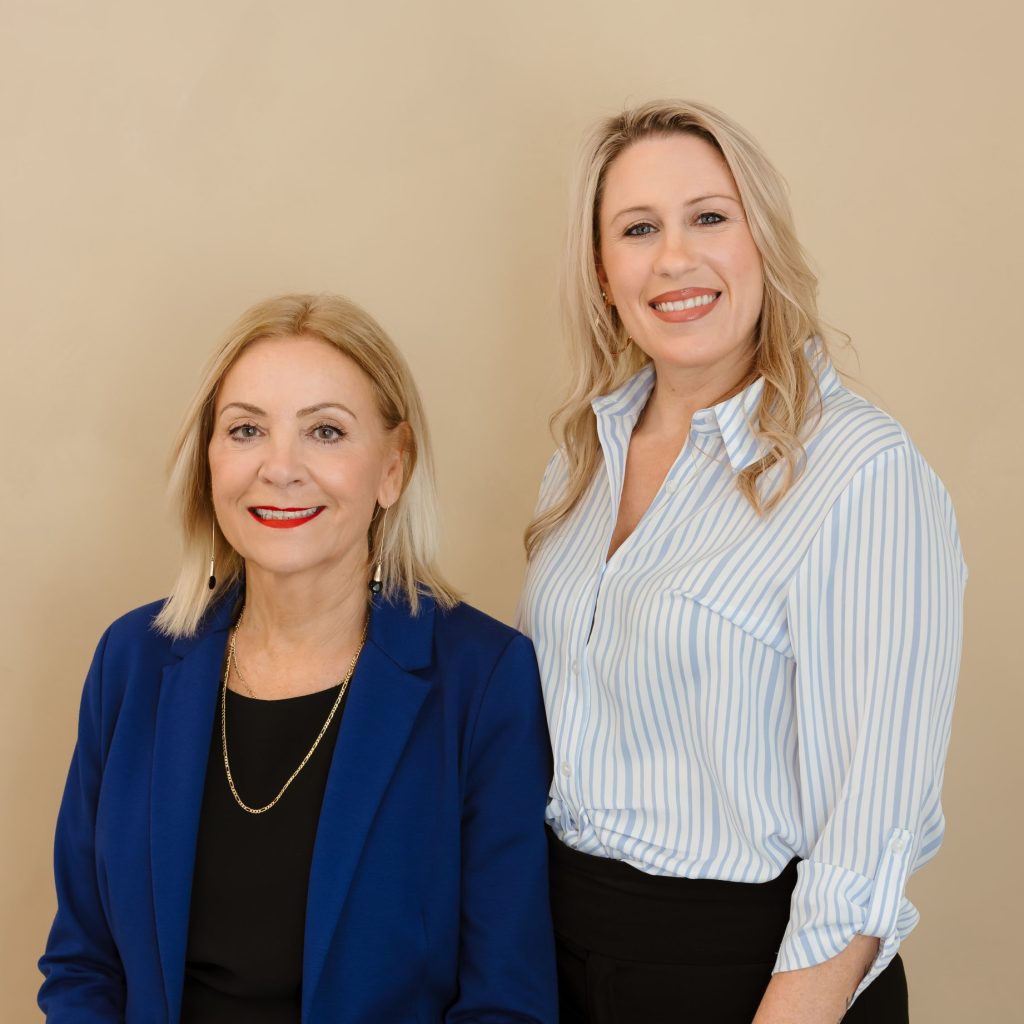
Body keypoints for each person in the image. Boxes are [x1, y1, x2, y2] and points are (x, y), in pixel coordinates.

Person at [519, 101, 966, 1024]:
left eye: (709, 217)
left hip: (758, 978)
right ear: (603, 271)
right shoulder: (582, 459)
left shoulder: (861, 473)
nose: (674, 258)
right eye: (638, 229)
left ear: (761, 239)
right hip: (562, 958)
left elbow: (869, 835)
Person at [39, 293, 558, 1024]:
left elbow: (506, 1000)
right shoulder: (132, 662)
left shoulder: (483, 678)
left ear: (393, 467)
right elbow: (84, 964)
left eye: (325, 431)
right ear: (209, 461)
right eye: (246, 429)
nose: (280, 468)